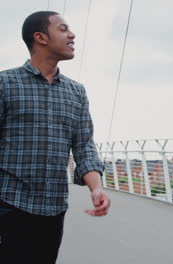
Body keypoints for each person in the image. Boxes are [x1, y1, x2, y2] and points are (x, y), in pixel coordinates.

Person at [0, 11, 110, 263]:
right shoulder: (5, 84)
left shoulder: (76, 92)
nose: (72, 35)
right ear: (40, 38)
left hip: (53, 210)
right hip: (9, 204)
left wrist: (97, 188)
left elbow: (83, 145)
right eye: (63, 29)